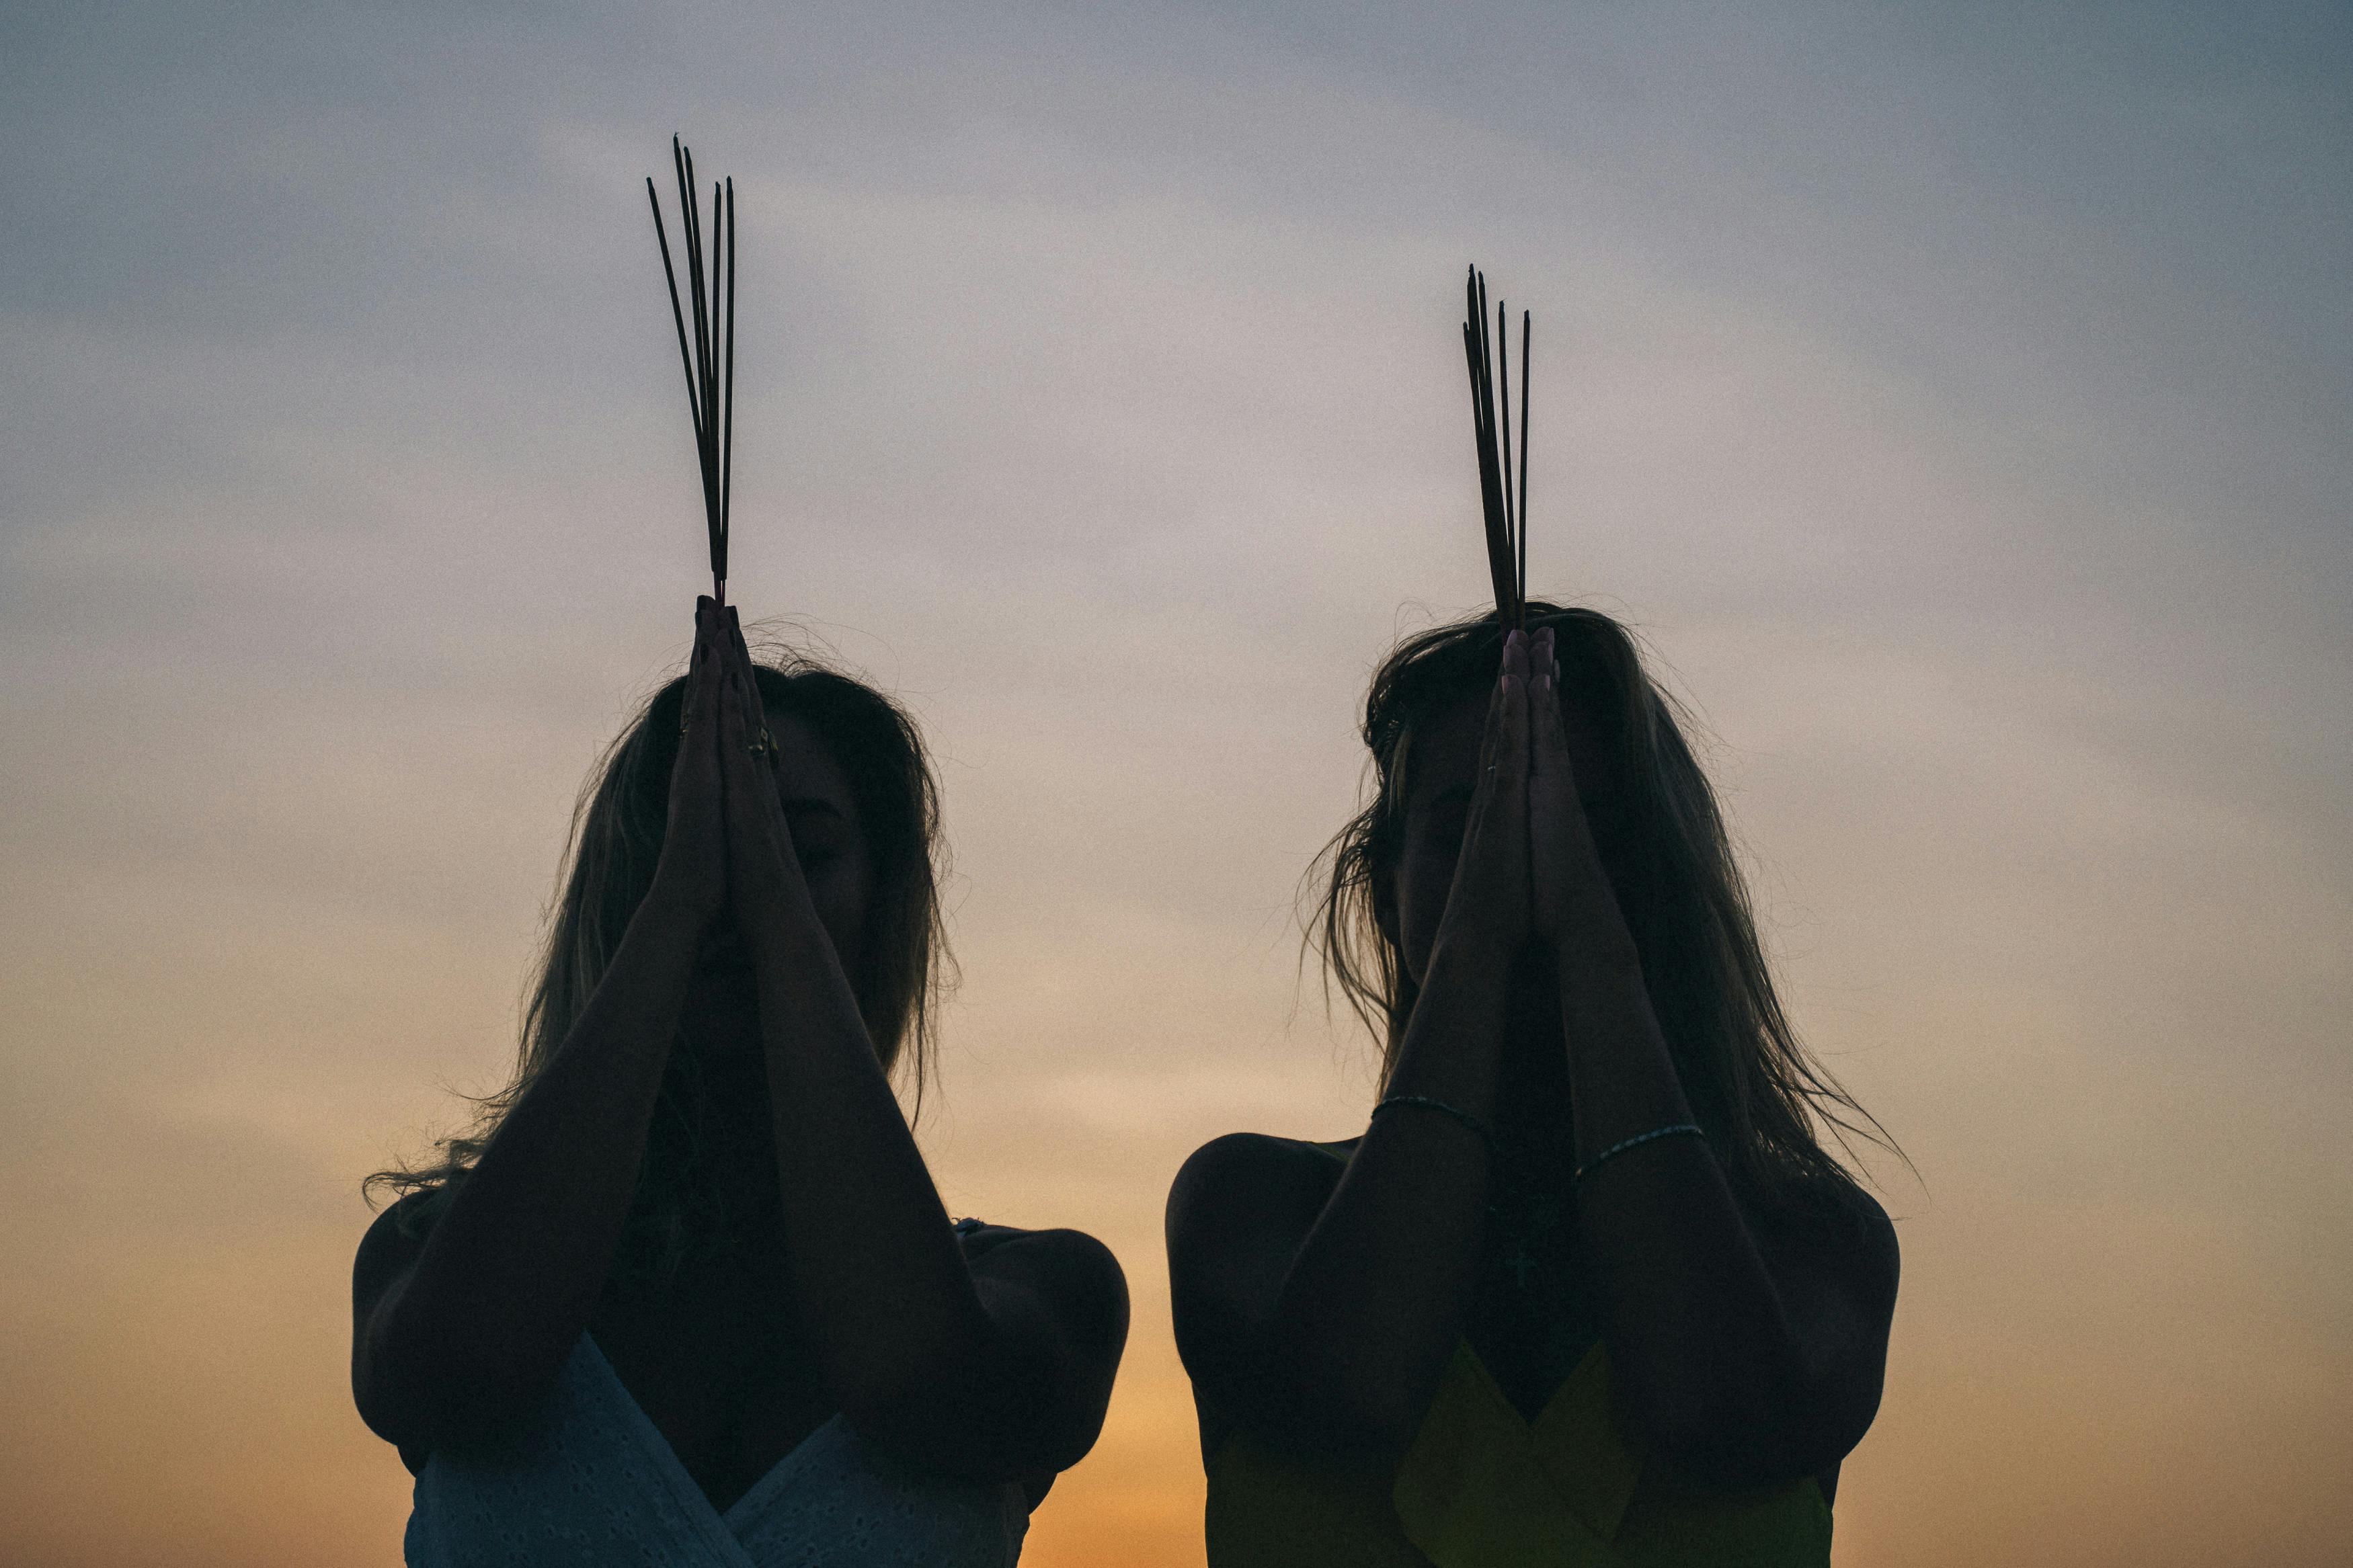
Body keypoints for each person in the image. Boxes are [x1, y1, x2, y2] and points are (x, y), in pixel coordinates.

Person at [354, 600, 1129, 1567]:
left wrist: (769, 905)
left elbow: (921, 1385)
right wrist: (679, 898)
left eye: (799, 853)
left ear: (884, 905)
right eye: (687, 849)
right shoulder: (429, 1255)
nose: (738, 892)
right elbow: (458, 1373)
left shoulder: (1046, 1289)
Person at [1167, 608, 1900, 1567]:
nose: (1521, 865)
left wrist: (1592, 951)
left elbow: (1716, 1413)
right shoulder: (1251, 1205)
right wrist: (1479, 946)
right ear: (1385, 892)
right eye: (1462, 831)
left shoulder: (1811, 1240)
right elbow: (1345, 1390)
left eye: (1591, 836)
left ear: (1657, 880)